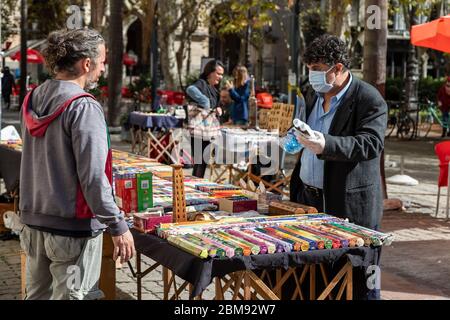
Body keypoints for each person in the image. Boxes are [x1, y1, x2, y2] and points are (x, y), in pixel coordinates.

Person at [19, 29, 135, 300]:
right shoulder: (83, 106)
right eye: (102, 62)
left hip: (35, 222)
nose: (102, 69)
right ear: (86, 63)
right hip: (72, 229)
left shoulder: (33, 98)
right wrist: (117, 225)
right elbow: (93, 177)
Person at [290, 34, 387, 231]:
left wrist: (326, 144)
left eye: (317, 69)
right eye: (309, 69)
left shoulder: (369, 99)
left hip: (344, 204)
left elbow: (371, 144)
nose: (311, 75)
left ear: (338, 68)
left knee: (345, 261)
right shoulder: (311, 94)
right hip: (306, 198)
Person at [186, 59, 224, 178]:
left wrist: (218, 110)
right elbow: (190, 89)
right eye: (218, 73)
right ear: (209, 72)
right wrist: (205, 101)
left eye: (221, 74)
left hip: (208, 130)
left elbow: (216, 107)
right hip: (199, 128)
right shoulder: (202, 83)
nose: (220, 77)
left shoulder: (215, 91)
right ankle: (195, 187)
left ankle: (195, 187)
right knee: (199, 161)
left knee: (203, 161)